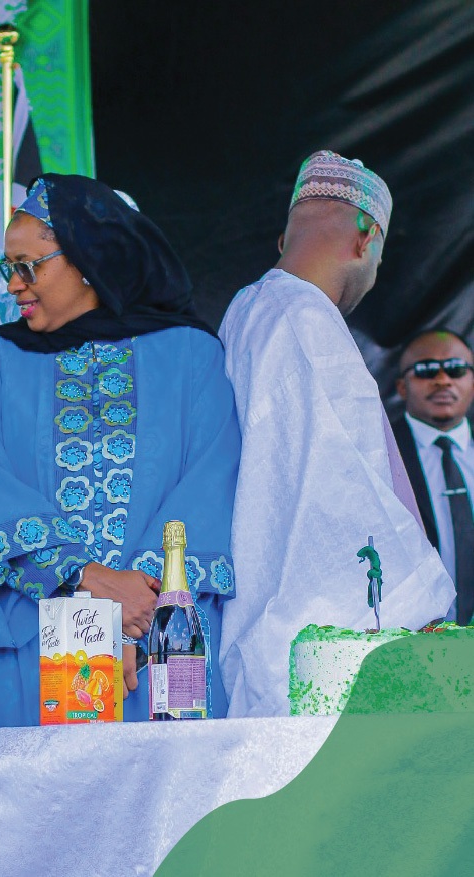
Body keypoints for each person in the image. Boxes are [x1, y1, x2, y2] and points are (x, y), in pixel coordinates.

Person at [0, 174, 241, 727]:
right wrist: (86, 577)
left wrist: (140, 604)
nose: (14, 285)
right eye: (8, 268)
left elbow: (210, 485)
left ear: (86, 259)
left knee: (168, 781)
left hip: (161, 641)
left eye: (29, 266)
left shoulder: (192, 356)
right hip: (30, 636)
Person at [218, 150, 455, 718]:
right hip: (317, 642)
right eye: (380, 259)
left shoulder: (244, 311)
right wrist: (420, 593)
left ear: (286, 238)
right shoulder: (305, 318)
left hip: (255, 617)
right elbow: (347, 485)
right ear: (366, 237)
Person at [391, 330, 474, 624]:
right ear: (402, 387)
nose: (442, 380)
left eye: (456, 369)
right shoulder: (380, 451)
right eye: (426, 370)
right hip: (413, 634)